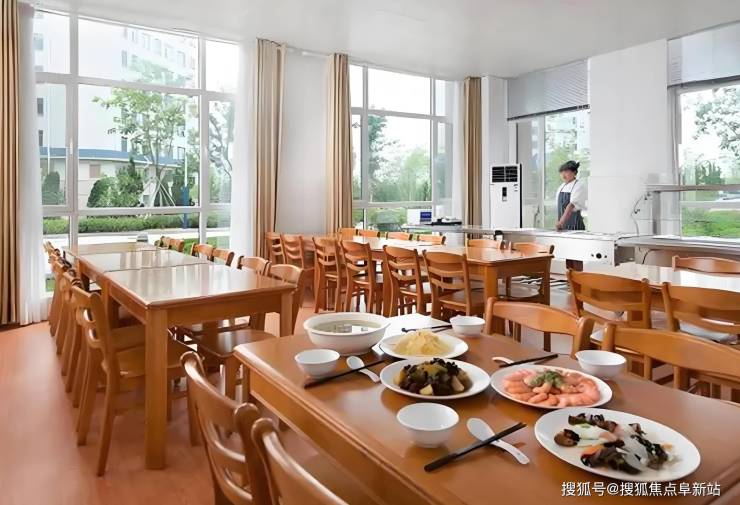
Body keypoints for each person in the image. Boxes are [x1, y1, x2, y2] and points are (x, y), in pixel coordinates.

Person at [555, 160, 587, 270]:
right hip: (564, 226)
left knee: (576, 256)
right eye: (562, 172)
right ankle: (570, 279)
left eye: (566, 172)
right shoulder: (562, 186)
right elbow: (560, 207)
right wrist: (560, 223)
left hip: (575, 225)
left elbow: (570, 206)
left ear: (574, 173)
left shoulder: (579, 186)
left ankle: (579, 279)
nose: (563, 175)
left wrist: (561, 222)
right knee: (568, 255)